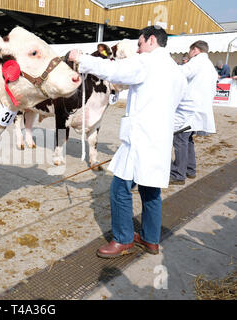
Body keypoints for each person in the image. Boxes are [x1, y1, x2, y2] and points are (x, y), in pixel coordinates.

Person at [69, 26, 187, 258]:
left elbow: (113, 70)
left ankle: (123, 239)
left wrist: (79, 58)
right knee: (150, 191)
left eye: (140, 43)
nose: (138, 48)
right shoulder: (177, 71)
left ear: (152, 40)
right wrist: (162, 130)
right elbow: (182, 109)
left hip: (140, 141)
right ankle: (150, 239)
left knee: (120, 190)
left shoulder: (146, 62)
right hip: (159, 141)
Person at [170, 41, 217, 185]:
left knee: (180, 139)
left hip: (189, 109)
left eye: (190, 52)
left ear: (195, 50)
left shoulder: (197, 61)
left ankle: (178, 174)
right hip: (200, 109)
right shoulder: (209, 65)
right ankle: (190, 169)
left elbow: (181, 72)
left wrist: (170, 65)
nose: (189, 56)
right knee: (188, 140)